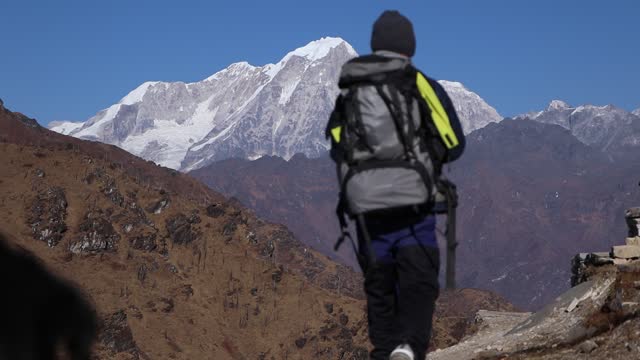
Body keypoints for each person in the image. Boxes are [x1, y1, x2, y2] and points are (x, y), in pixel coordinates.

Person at [327, 10, 465, 360]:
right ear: (409, 47)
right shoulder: (417, 83)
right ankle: (408, 348)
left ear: (375, 45)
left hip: (366, 207)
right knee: (418, 279)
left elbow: (337, 143)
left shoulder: (351, 92)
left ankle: (384, 350)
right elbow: (453, 142)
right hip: (414, 204)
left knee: (379, 284)